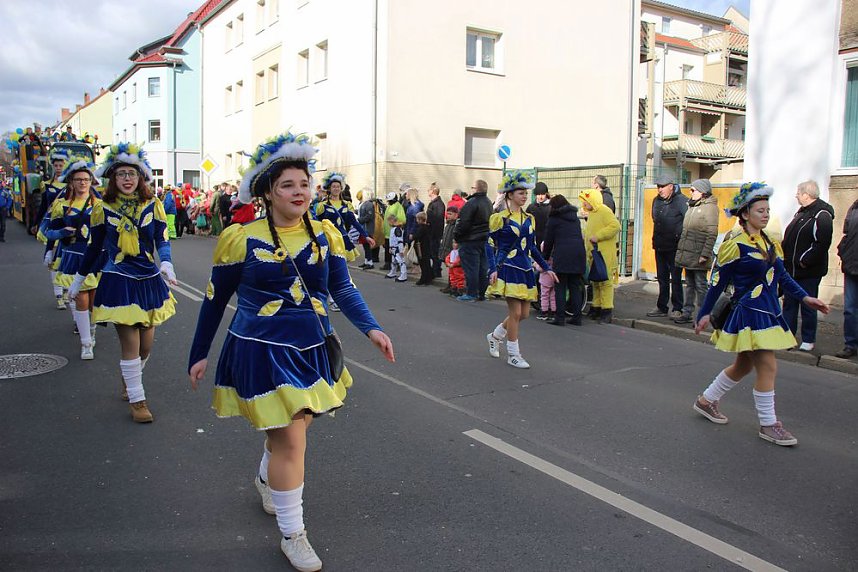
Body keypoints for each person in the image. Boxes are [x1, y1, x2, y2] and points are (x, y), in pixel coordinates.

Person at [187, 133, 394, 571]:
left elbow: (341, 288)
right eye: (287, 185)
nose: (299, 192)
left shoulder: (324, 234)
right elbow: (213, 300)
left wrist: (372, 328)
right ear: (266, 193)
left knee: (290, 433)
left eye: (304, 184)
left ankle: (267, 478)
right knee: (292, 441)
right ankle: (292, 534)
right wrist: (198, 353)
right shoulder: (241, 238)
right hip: (261, 352)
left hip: (312, 347)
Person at [692, 183, 829, 446]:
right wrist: (705, 312)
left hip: (768, 310)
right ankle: (769, 424)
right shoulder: (735, 244)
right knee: (767, 365)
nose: (766, 215)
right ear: (745, 214)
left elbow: (783, 277)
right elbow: (717, 282)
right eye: (760, 211)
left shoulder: (768, 242)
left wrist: (805, 297)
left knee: (744, 364)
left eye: (767, 210)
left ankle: (706, 400)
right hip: (749, 313)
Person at [68, 143, 178, 423]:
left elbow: (162, 239)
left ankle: (130, 378)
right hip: (118, 279)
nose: (127, 179)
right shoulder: (102, 209)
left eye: (132, 173)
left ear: (140, 178)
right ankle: (138, 400)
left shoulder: (152, 205)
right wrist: (79, 279)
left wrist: (165, 263)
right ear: (112, 179)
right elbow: (93, 249)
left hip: (149, 280)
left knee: (145, 347)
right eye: (121, 174)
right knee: (130, 344)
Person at [486, 171, 557, 368]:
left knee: (524, 314)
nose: (525, 196)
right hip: (507, 267)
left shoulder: (529, 218)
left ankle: (495, 335)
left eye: (526, 193)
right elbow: (489, 245)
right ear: (510, 194)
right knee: (516, 313)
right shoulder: (499, 218)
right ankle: (513, 354)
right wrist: (492, 269)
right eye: (520, 193)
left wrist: (546, 268)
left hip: (525, 268)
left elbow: (532, 247)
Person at [45, 156, 102, 359]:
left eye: (86, 179)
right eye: (78, 179)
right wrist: (60, 236)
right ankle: (86, 342)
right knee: (81, 299)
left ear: (91, 181)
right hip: (73, 256)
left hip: (95, 258)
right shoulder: (62, 204)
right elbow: (48, 232)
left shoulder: (101, 204)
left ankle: (92, 328)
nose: (82, 183)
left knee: (94, 300)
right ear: (71, 182)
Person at [781, 180, 834, 352]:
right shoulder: (801, 213)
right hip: (792, 270)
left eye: (798, 192)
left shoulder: (821, 214)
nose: (796, 195)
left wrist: (804, 260)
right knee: (789, 304)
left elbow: (822, 242)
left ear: (806, 194)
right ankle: (787, 337)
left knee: (808, 305)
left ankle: (808, 339)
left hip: (808, 271)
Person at [674, 178, 719, 324]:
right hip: (688, 254)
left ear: (703, 192)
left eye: (693, 190)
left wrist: (705, 254)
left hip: (699, 254)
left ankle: (702, 315)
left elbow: (712, 233)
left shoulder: (710, 208)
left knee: (701, 285)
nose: (690, 192)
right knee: (689, 284)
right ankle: (687, 312)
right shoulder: (692, 206)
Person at [542, 194, 587, 326]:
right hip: (578, 253)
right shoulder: (575, 218)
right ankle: (577, 317)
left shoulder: (554, 219)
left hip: (563, 254)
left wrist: (544, 258)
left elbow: (549, 240)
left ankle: (560, 317)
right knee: (575, 286)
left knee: (560, 286)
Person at [647, 174, 688, 319]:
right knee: (662, 278)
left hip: (675, 247)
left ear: (671, 186)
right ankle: (661, 307)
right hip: (659, 246)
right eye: (658, 186)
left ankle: (678, 308)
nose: (659, 189)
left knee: (676, 279)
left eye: (662, 186)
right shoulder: (655, 201)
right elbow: (654, 219)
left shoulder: (681, 201)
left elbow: (687, 223)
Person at [578, 188, 621, 324]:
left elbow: (615, 226)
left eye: (586, 202)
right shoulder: (592, 214)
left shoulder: (604, 211)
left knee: (605, 282)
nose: (584, 205)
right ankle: (596, 307)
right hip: (594, 253)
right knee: (595, 281)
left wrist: (599, 236)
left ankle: (607, 310)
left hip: (604, 253)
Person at [314, 172, 375, 262]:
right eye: (333, 186)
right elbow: (316, 223)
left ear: (341, 188)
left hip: (342, 241)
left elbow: (354, 222)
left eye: (338, 186)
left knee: (341, 268)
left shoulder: (347, 205)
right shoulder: (322, 206)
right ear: (329, 189)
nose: (336, 188)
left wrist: (366, 236)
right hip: (328, 240)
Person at [454, 180, 492, 301]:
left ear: (476, 189)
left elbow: (464, 222)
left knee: (471, 268)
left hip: (470, 239)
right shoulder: (488, 202)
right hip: (484, 238)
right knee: (482, 268)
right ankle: (481, 293)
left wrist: (457, 235)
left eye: (472, 187)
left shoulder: (471, 203)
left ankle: (471, 292)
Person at [835, 197, 858, 359]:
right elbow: (846, 233)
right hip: (851, 265)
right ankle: (850, 345)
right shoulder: (854, 207)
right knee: (850, 310)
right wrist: (842, 251)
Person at [357, 188, 382, 269]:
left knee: (367, 246)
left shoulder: (369, 204)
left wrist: (359, 219)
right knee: (365, 245)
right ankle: (366, 261)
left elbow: (370, 216)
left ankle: (370, 263)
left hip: (367, 228)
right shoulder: (364, 203)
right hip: (363, 227)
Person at [382, 191, 406, 271]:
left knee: (395, 249)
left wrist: (396, 224)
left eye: (389, 200)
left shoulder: (398, 206)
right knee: (387, 249)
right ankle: (387, 263)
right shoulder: (390, 206)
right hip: (387, 232)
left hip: (394, 233)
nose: (388, 202)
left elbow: (402, 219)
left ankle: (398, 264)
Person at [426, 183, 446, 278]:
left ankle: (436, 271)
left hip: (435, 234)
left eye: (429, 190)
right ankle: (434, 270)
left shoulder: (438, 204)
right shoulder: (433, 203)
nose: (427, 191)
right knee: (432, 252)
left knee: (435, 253)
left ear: (433, 191)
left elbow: (438, 220)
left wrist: (433, 233)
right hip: (431, 233)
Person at [526, 182, 551, 248]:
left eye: (542, 194)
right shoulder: (531, 207)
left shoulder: (551, 207)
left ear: (546, 194)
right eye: (538, 194)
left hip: (548, 239)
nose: (540, 197)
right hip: (534, 240)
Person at [386, 214, 408, 283]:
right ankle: (393, 272)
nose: (388, 223)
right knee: (394, 262)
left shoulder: (397, 229)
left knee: (401, 262)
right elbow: (392, 240)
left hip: (397, 249)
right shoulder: (394, 229)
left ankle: (403, 275)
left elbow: (400, 240)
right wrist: (390, 247)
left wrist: (401, 250)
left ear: (392, 221)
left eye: (389, 221)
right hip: (393, 248)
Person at [413, 211, 434, 285]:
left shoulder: (422, 228)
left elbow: (417, 236)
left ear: (420, 220)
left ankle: (424, 278)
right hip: (426, 247)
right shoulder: (427, 227)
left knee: (423, 263)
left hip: (421, 248)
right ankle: (428, 277)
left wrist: (412, 236)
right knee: (426, 263)